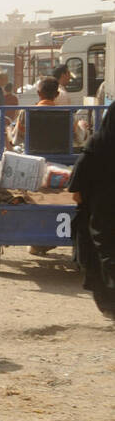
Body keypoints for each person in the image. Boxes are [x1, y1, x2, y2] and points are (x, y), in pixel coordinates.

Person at [70, 101, 115, 318]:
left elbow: (76, 191)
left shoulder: (96, 145)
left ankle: (109, 303)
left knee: (102, 255)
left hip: (100, 214)